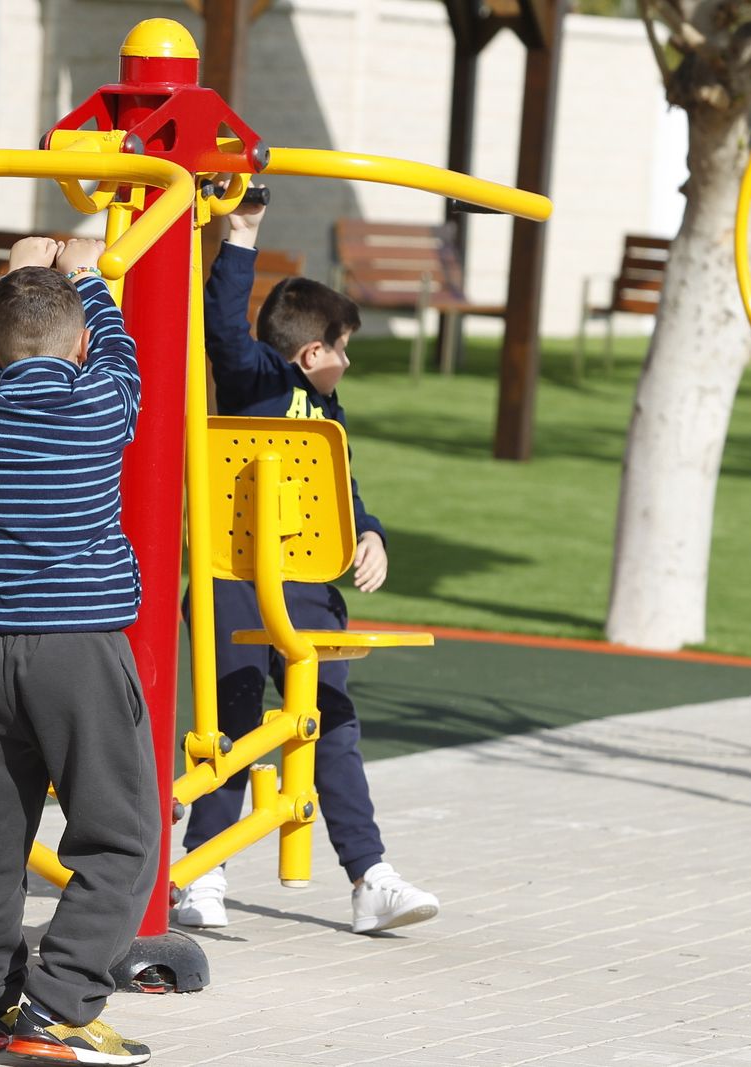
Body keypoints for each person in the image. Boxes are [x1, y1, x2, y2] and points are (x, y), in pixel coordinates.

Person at [172, 191, 441, 936]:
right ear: (311, 351)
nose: (347, 361)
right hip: (233, 581)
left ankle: (370, 877)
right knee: (230, 720)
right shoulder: (258, 379)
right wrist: (242, 233)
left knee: (332, 721)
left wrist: (372, 532)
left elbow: (343, 493)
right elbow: (222, 325)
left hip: (307, 587)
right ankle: (204, 870)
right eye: (342, 347)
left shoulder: (328, 415)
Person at [0, 235, 157, 1064]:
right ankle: (58, 1008)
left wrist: (11, 273)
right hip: (77, 648)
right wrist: (91, 273)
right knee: (122, 832)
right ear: (81, 347)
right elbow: (119, 345)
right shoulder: (104, 400)